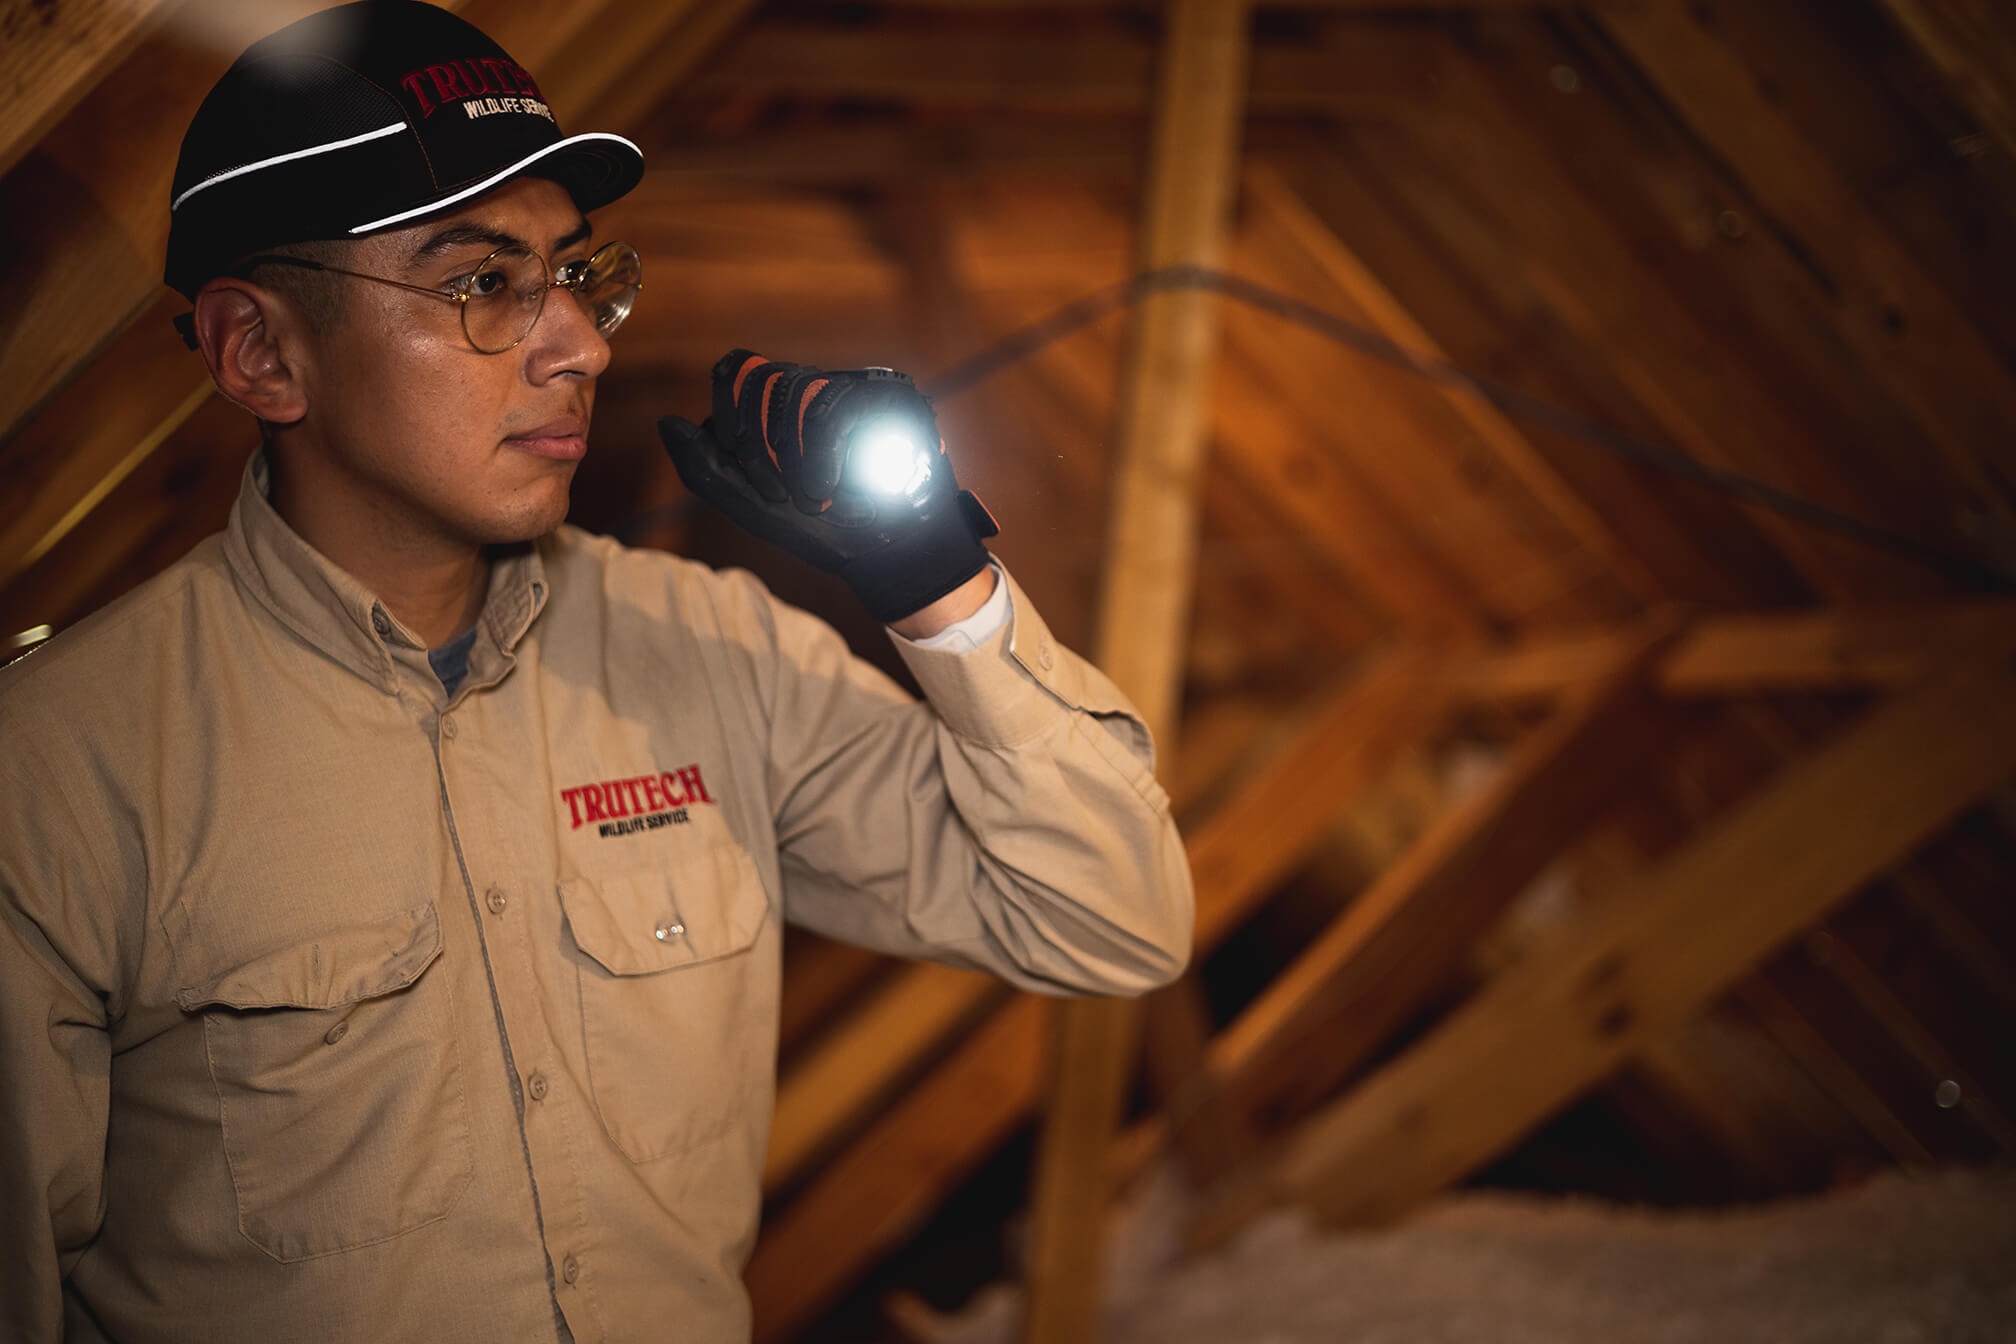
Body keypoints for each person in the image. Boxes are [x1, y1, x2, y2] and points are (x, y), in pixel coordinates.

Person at [0, 3, 1193, 1341]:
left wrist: (939, 586)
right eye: (483, 284)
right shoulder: (63, 767)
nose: (584, 345)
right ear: (262, 352)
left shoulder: (709, 653)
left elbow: (1109, 916)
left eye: (577, 272)